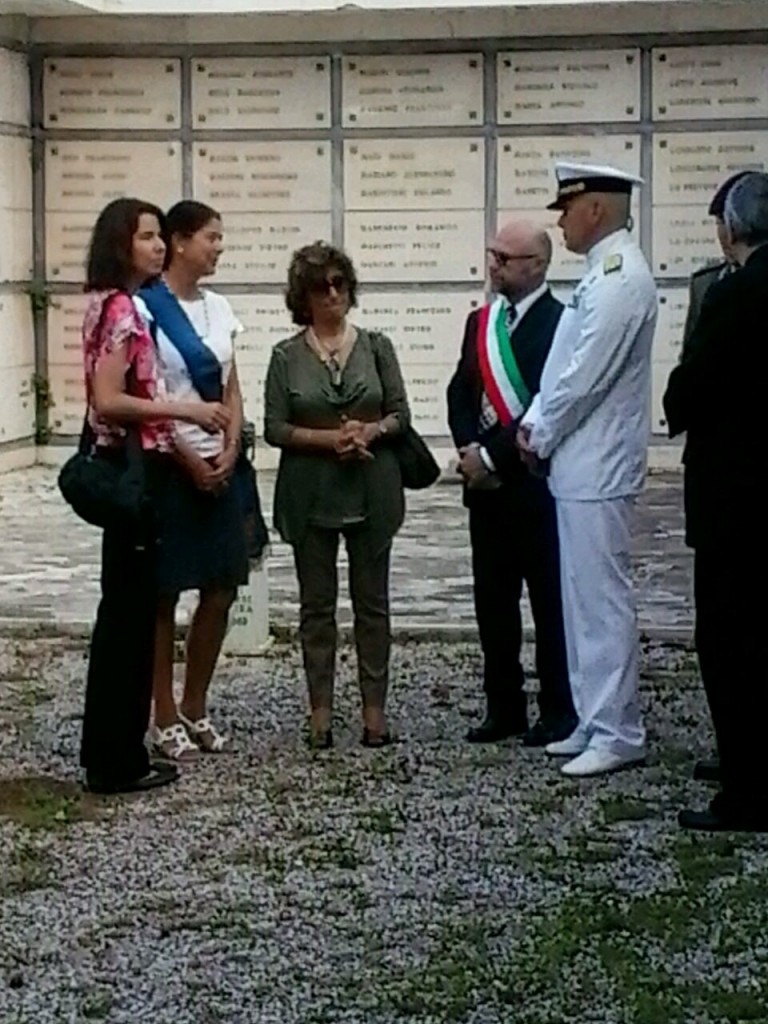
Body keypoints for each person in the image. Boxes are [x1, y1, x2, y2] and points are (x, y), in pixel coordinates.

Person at [80, 197, 230, 794]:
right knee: (130, 617)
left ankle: (114, 750)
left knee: (124, 612)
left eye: (158, 236)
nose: (158, 245)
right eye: (146, 237)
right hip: (133, 466)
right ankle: (118, 761)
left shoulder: (106, 302)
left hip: (127, 464)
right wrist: (184, 409)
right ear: (121, 244)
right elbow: (108, 398)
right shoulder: (121, 308)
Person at [517, 162, 658, 778]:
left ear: (595, 210)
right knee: (579, 603)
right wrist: (535, 422)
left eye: (568, 209)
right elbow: (564, 365)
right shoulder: (600, 273)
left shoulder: (622, 277)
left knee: (601, 604)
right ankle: (593, 718)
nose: (561, 222)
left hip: (598, 463)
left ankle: (618, 730)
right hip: (580, 464)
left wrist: (541, 431)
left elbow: (586, 376)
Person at [264, 241, 410, 749]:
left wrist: (370, 431)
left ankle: (375, 714)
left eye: (339, 284)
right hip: (310, 491)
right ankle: (320, 713)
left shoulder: (377, 347)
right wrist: (329, 440)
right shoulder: (285, 356)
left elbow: (400, 413)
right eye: (320, 286)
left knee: (373, 605)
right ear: (302, 297)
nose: (332, 294)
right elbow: (275, 427)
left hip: (372, 486)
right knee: (316, 607)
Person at [663, 172, 768, 833]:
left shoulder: (736, 293)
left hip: (738, 499)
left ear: (731, 229)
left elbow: (690, 387)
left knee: (732, 642)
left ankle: (747, 789)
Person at [446, 219, 576, 748]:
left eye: (505, 258)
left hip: (534, 486)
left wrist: (491, 458)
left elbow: (547, 402)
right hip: (486, 492)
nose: (493, 265)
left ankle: (558, 708)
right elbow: (460, 392)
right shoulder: (481, 323)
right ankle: (503, 706)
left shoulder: (562, 323)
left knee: (548, 603)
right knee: (493, 604)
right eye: (492, 254)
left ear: (537, 265)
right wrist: (468, 449)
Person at [136, 200, 251, 760]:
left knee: (222, 586)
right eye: (211, 237)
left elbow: (232, 385)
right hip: (169, 464)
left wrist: (231, 446)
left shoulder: (220, 307)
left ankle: (195, 704)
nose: (219, 247)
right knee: (165, 592)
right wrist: (189, 458)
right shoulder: (145, 309)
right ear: (179, 241)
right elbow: (147, 391)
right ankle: (161, 714)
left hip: (222, 463)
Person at [681, 170, 750, 354]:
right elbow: (690, 355)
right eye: (720, 223)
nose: (727, 235)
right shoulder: (705, 283)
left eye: (732, 222)